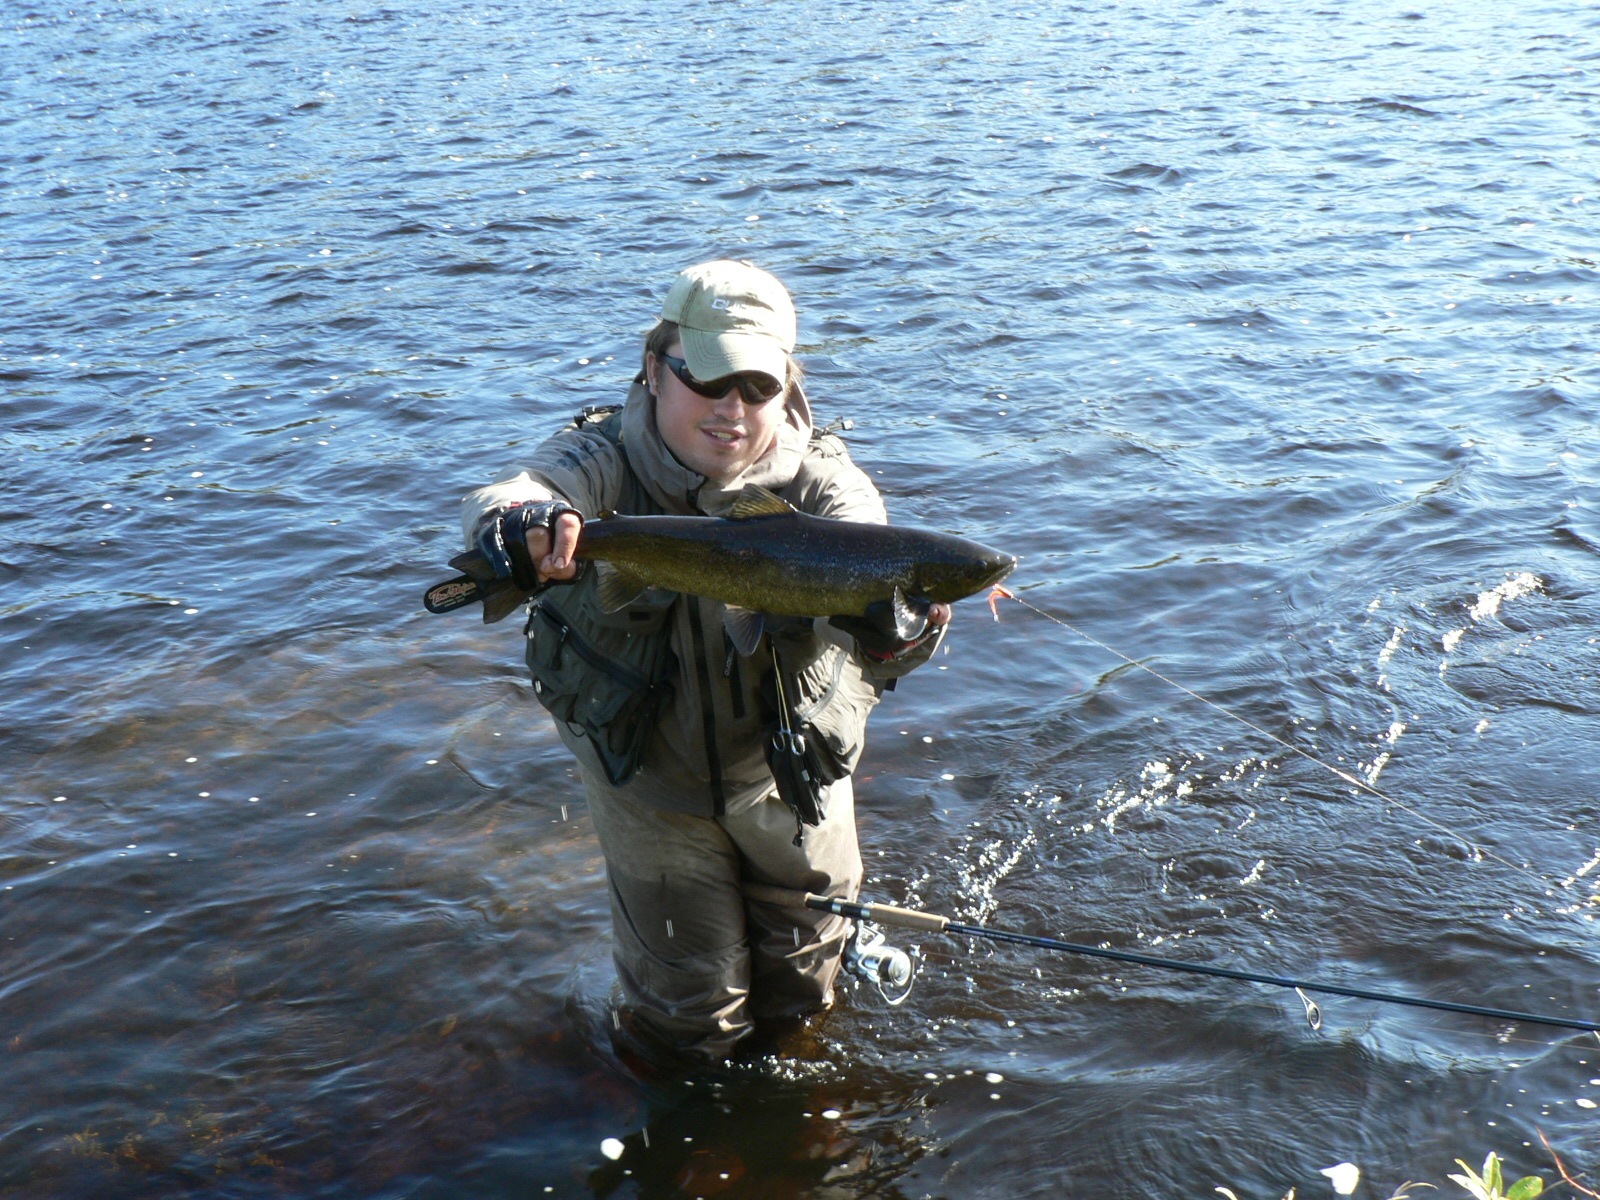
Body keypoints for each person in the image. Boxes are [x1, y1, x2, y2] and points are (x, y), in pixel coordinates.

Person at [459, 259, 949, 1066]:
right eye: (708, 378)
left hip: (793, 785)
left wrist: (906, 631)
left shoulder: (829, 488)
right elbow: (512, 492)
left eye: (757, 386)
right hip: (652, 793)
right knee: (687, 1022)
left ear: (787, 388)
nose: (732, 408)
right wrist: (521, 525)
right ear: (656, 370)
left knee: (804, 1001)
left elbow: (879, 564)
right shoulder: (600, 460)